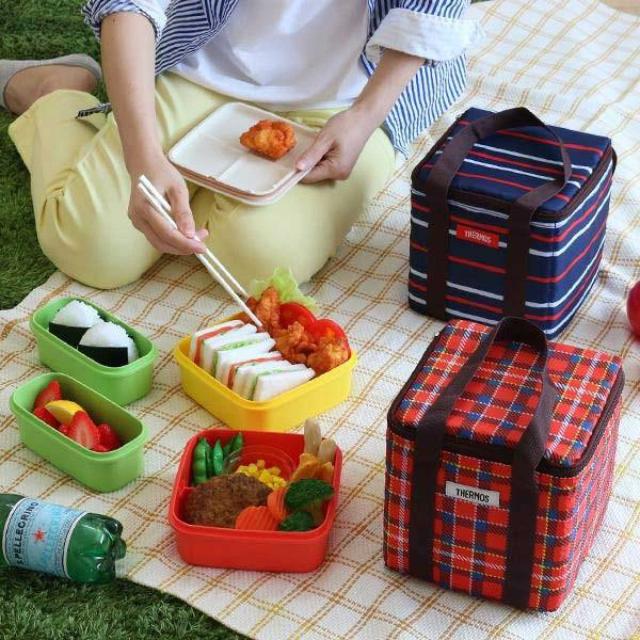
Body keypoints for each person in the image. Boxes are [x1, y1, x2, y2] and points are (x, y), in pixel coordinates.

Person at [0, 0, 480, 289]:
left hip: (352, 95)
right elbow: (128, 4)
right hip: (201, 65)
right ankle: (55, 92)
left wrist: (364, 116)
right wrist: (141, 155)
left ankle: (202, 189)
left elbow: (431, 7)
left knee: (260, 258)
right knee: (94, 248)